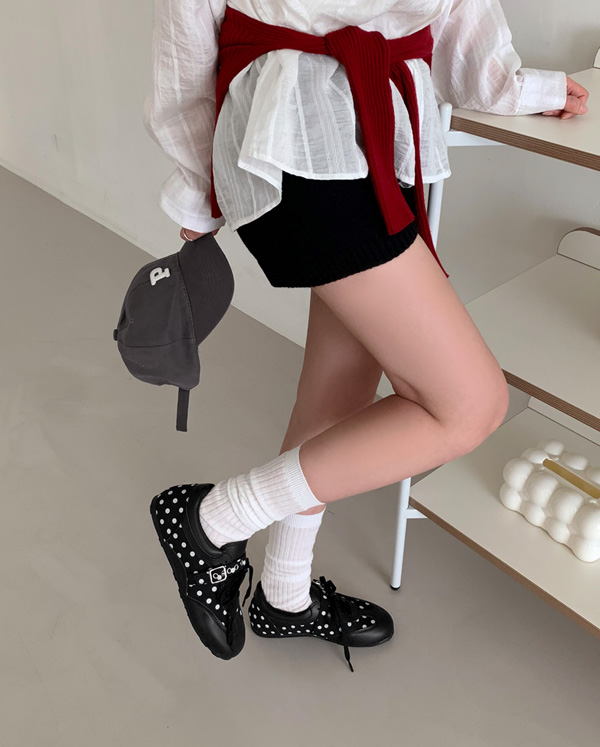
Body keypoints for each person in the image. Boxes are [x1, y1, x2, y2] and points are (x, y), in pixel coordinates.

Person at [144, 0, 589, 671]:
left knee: (340, 385)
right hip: (287, 138)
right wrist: (194, 183)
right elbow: (187, 38)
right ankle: (212, 519)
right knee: (471, 405)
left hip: (381, 131)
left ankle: (283, 595)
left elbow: (462, 28)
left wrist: (526, 89)